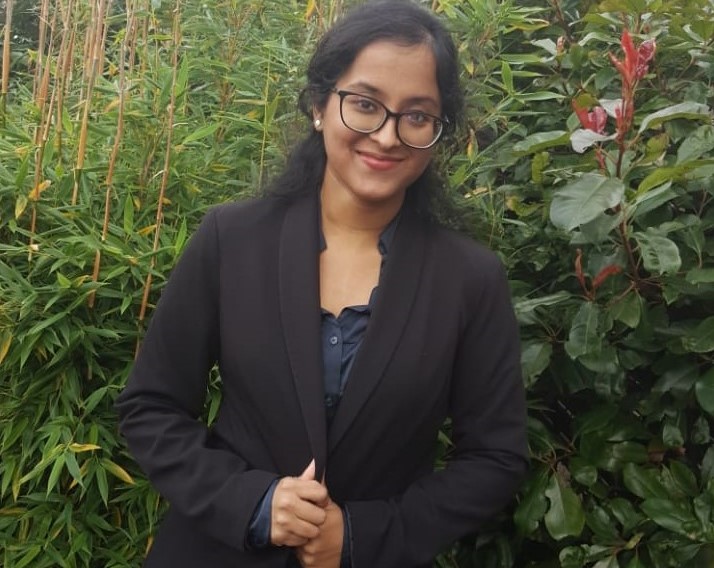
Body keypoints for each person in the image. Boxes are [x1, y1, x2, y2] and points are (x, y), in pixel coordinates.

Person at [115, 1, 529, 567]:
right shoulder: (231, 240)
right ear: (318, 105)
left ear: (438, 132)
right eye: (364, 104)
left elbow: (495, 458)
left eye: (417, 115)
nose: (386, 137)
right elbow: (151, 406)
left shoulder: (470, 280)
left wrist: (361, 536)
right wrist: (254, 502)